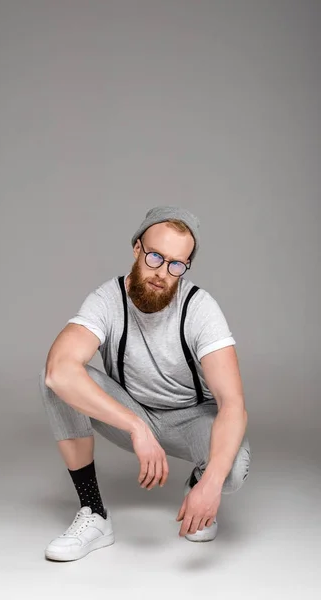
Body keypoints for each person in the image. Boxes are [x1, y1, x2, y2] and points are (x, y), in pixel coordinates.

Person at [39, 206, 251, 562]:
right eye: (155, 256)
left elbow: (233, 405)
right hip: (130, 411)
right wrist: (135, 426)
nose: (162, 273)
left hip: (191, 419)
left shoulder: (200, 308)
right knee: (57, 381)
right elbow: (59, 370)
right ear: (137, 249)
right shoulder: (107, 300)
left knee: (231, 472)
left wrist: (211, 485)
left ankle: (197, 487)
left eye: (176, 264)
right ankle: (94, 514)